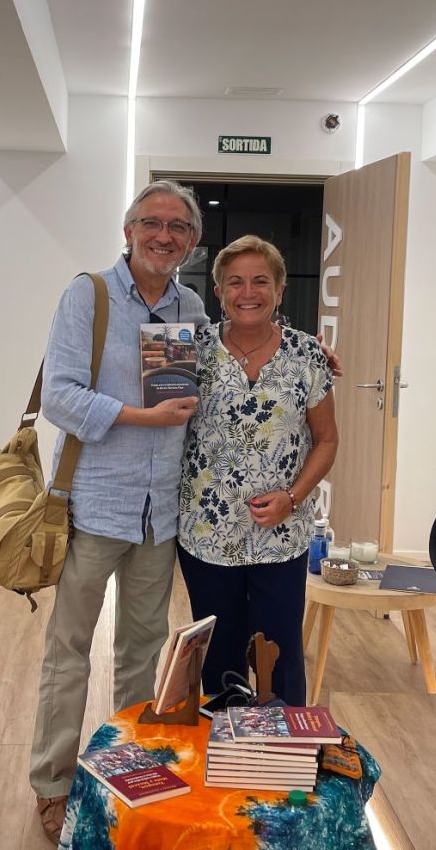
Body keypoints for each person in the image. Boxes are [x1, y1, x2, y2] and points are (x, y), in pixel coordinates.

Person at [29, 180, 208, 844]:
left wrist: (301, 351)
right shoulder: (90, 295)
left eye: (178, 226)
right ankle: (52, 784)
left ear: (191, 242)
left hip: (159, 514)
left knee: (142, 652)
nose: (164, 235)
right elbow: (59, 397)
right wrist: (140, 416)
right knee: (68, 652)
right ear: (128, 231)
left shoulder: (191, 305)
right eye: (152, 222)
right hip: (94, 504)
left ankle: (123, 779)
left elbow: (217, 376)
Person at [177, 235, 339, 706]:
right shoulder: (191, 351)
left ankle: (283, 746)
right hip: (207, 535)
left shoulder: (306, 355)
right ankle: (227, 746)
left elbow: (327, 440)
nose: (248, 292)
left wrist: (293, 496)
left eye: (260, 281)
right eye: (235, 282)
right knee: (219, 662)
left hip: (281, 537)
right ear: (218, 292)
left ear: (280, 290)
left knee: (281, 659)